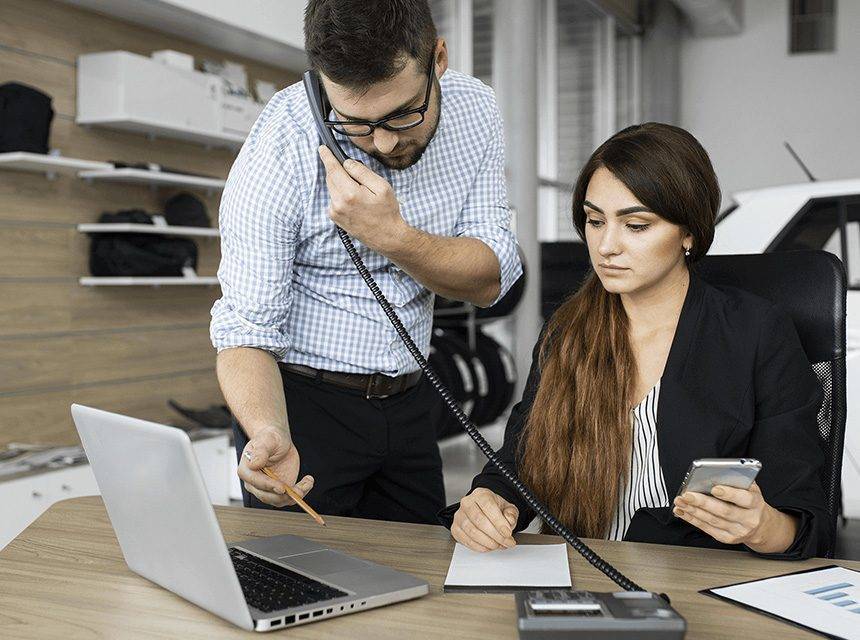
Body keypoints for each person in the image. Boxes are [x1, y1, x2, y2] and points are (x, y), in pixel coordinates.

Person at [444, 122, 828, 558]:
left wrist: (760, 527)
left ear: (689, 233)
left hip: (695, 582)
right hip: (579, 573)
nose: (606, 246)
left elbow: (807, 525)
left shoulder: (756, 332)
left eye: (637, 225)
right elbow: (520, 461)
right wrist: (488, 502)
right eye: (594, 221)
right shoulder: (568, 330)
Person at [209, 0, 521, 525]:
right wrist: (268, 432)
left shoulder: (475, 110)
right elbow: (244, 331)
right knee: (307, 587)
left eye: (404, 113)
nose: (383, 141)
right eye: (354, 122)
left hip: (413, 397)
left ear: (438, 58)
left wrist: (390, 236)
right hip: (302, 409)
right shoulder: (280, 145)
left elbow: (490, 279)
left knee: (422, 580)